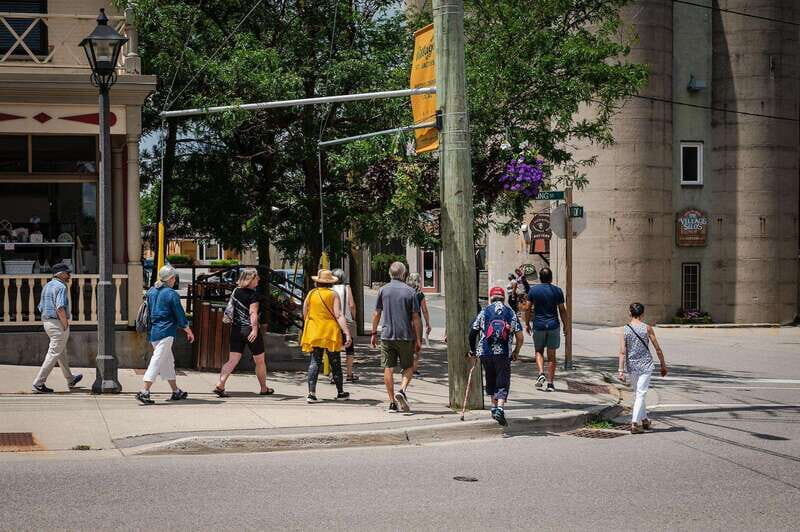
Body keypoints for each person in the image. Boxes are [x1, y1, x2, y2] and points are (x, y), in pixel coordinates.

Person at [136, 265, 195, 405]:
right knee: (157, 361)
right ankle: (144, 391)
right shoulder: (171, 294)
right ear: (171, 278)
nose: (175, 280)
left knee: (168, 362)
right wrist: (188, 330)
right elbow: (180, 314)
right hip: (167, 331)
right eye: (174, 277)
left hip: (154, 332)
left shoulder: (151, 291)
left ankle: (176, 391)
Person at [370, 262, 421, 413]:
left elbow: (376, 313)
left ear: (389, 274)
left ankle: (392, 402)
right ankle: (402, 390)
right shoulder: (410, 292)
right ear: (404, 274)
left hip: (387, 335)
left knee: (388, 368)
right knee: (409, 366)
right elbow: (416, 318)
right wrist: (418, 339)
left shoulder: (383, 290)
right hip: (405, 335)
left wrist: (373, 333)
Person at [214, 268, 273, 397]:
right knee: (260, 360)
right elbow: (253, 313)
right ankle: (263, 388)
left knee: (232, 360)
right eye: (256, 277)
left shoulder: (236, 291)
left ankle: (221, 384)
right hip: (249, 330)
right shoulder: (253, 294)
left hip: (236, 330)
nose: (259, 279)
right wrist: (255, 329)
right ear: (251, 279)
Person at [469, 286, 523, 426]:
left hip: (486, 352)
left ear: (491, 297)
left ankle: (493, 408)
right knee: (502, 380)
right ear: (503, 297)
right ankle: (500, 407)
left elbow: (472, 332)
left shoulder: (484, 311)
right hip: (504, 353)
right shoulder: (510, 313)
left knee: (490, 377)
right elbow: (520, 337)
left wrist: (473, 350)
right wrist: (516, 351)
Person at [300, 269, 352, 403]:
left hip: (314, 331)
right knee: (335, 362)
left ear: (318, 282)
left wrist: (310, 323)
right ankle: (340, 392)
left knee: (315, 361)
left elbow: (305, 311)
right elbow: (338, 315)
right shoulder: (333, 295)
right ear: (330, 283)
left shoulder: (311, 293)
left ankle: (311, 393)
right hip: (330, 332)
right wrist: (346, 332)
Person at [32, 263, 82, 393]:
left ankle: (70, 379)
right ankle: (38, 383)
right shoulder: (61, 286)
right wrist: (65, 323)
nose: (69, 275)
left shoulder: (47, 286)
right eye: (67, 273)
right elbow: (60, 307)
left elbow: (40, 307)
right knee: (54, 353)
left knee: (61, 352)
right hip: (57, 323)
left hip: (47, 322)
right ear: (60, 274)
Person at [618, 302, 667, 434]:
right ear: (643, 313)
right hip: (645, 365)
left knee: (639, 393)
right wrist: (663, 365)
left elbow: (622, 351)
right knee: (640, 394)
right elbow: (658, 349)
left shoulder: (625, 329)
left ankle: (644, 420)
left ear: (630, 313)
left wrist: (620, 370)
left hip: (632, 366)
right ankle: (634, 423)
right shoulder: (647, 328)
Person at [525, 267, 567, 392]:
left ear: (539, 277)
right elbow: (562, 310)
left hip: (539, 325)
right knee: (552, 355)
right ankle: (550, 384)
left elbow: (527, 308)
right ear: (551, 277)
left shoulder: (533, 291)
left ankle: (541, 373)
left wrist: (527, 323)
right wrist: (566, 325)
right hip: (553, 325)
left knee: (538, 351)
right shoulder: (557, 291)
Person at [331, 268, 359, 382]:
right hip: (346, 320)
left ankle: (334, 375)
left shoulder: (330, 289)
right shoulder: (347, 288)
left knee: (334, 349)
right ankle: (349, 374)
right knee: (349, 348)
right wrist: (353, 317)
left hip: (333, 321)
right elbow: (352, 305)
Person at [406, 273, 432, 376]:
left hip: (405, 321)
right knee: (417, 345)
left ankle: (406, 367)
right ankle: (414, 369)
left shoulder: (405, 292)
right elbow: (424, 310)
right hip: (417, 322)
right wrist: (427, 323)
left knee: (407, 345)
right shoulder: (419, 294)